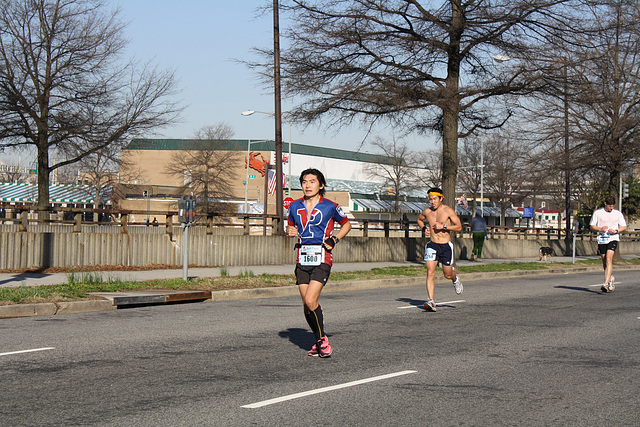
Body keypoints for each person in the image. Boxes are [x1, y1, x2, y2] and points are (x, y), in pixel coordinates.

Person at [287, 168, 352, 357]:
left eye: (312, 181)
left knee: (310, 299)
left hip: (322, 256)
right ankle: (318, 340)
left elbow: (346, 224)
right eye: (304, 181)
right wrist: (289, 231)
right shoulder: (294, 206)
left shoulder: (330, 206)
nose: (308, 185)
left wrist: (335, 239)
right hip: (302, 256)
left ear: (321, 185)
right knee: (307, 304)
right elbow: (291, 225)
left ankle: (322, 340)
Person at [416, 187, 463, 312]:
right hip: (432, 245)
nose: (433, 202)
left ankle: (455, 278)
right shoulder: (427, 212)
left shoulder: (448, 211)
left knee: (447, 274)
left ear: (441, 198)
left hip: (445, 246)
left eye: (435, 199)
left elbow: (459, 227)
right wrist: (423, 228)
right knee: (430, 271)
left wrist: (445, 226)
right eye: (430, 199)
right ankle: (431, 300)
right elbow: (419, 219)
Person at [590, 196, 627, 293]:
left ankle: (605, 283)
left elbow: (624, 226)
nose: (611, 208)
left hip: (613, 238)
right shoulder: (598, 213)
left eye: (613, 206)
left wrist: (616, 231)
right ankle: (610, 278)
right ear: (605, 204)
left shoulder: (617, 214)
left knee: (608, 258)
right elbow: (592, 226)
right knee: (604, 261)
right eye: (610, 206)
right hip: (602, 239)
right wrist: (600, 229)